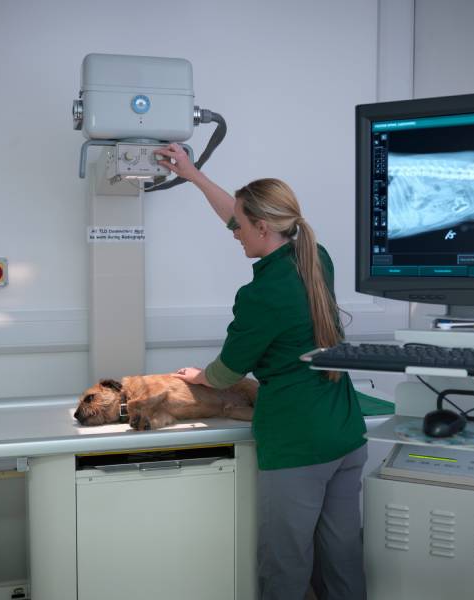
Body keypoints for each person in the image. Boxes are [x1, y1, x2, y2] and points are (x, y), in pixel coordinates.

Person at [156, 143, 367, 600]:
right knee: (342, 557)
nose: (233, 231)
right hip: (345, 435)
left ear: (264, 227)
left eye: (241, 227)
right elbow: (233, 214)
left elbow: (228, 371)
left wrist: (198, 376)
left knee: (285, 564)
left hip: (297, 444)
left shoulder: (262, 294)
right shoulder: (315, 258)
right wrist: (193, 176)